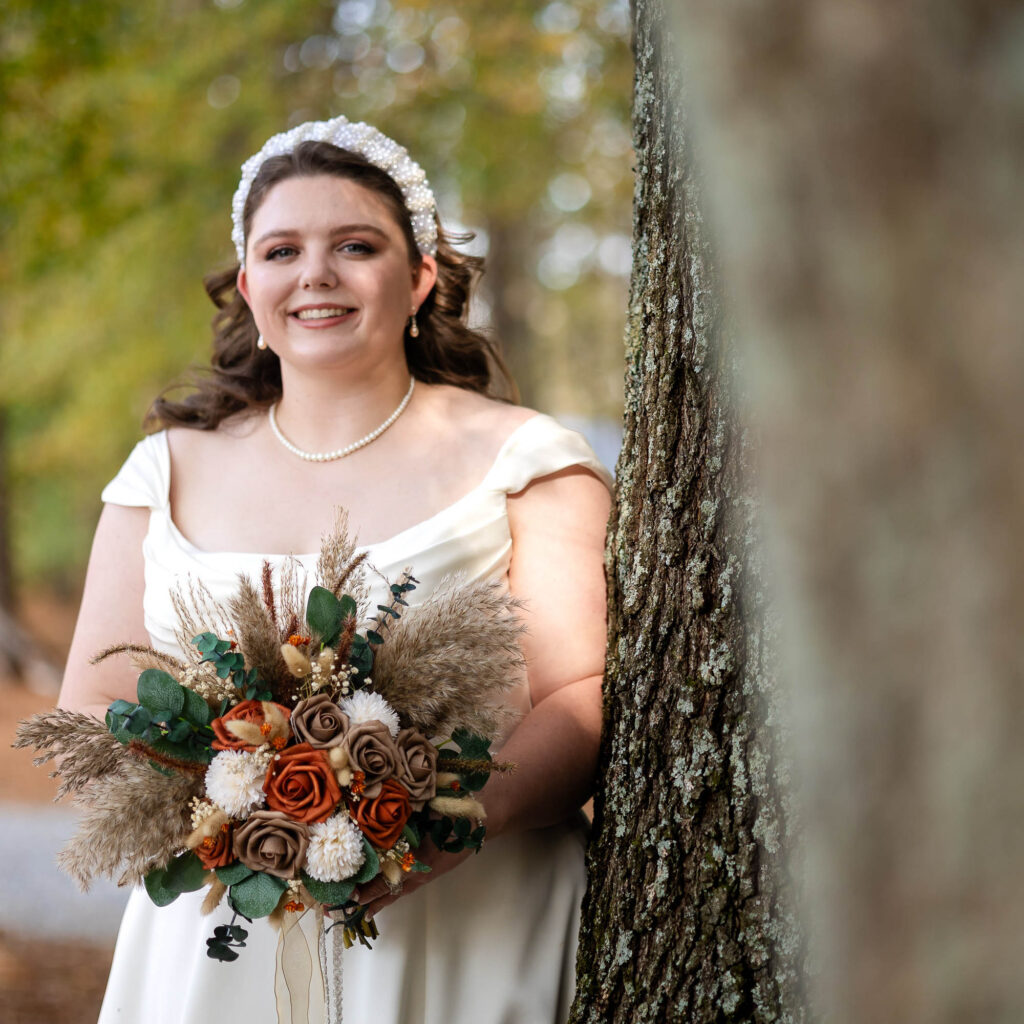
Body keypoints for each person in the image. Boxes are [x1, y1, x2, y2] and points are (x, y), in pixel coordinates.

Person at [58, 115, 612, 1024]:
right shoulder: (162, 472)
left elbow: (580, 695)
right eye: (282, 250)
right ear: (250, 287)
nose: (315, 274)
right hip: (219, 936)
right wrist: (230, 808)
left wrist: (441, 826)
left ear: (420, 278)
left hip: (469, 920)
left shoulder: (528, 461)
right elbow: (91, 708)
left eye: (355, 246)